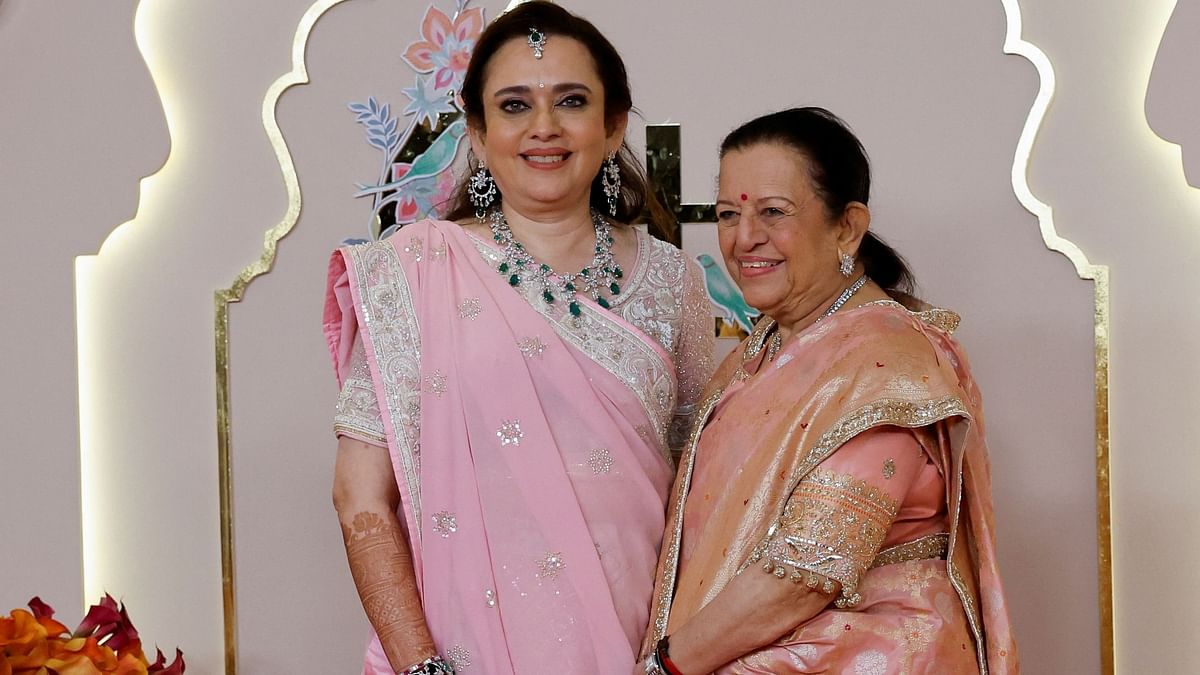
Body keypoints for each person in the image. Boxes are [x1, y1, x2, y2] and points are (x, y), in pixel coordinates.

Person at [324, 3, 714, 674]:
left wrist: (677, 655)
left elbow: (703, 490)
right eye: (513, 105)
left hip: (642, 648)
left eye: (570, 101)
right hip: (460, 652)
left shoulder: (673, 279)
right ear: (476, 133)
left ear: (613, 123)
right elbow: (359, 498)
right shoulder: (414, 271)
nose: (543, 128)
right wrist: (422, 667)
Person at [638, 108, 1018, 674]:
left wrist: (667, 666)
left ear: (847, 226)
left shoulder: (883, 363)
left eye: (773, 212)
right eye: (726, 214)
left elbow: (807, 569)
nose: (744, 239)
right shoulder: (761, 350)